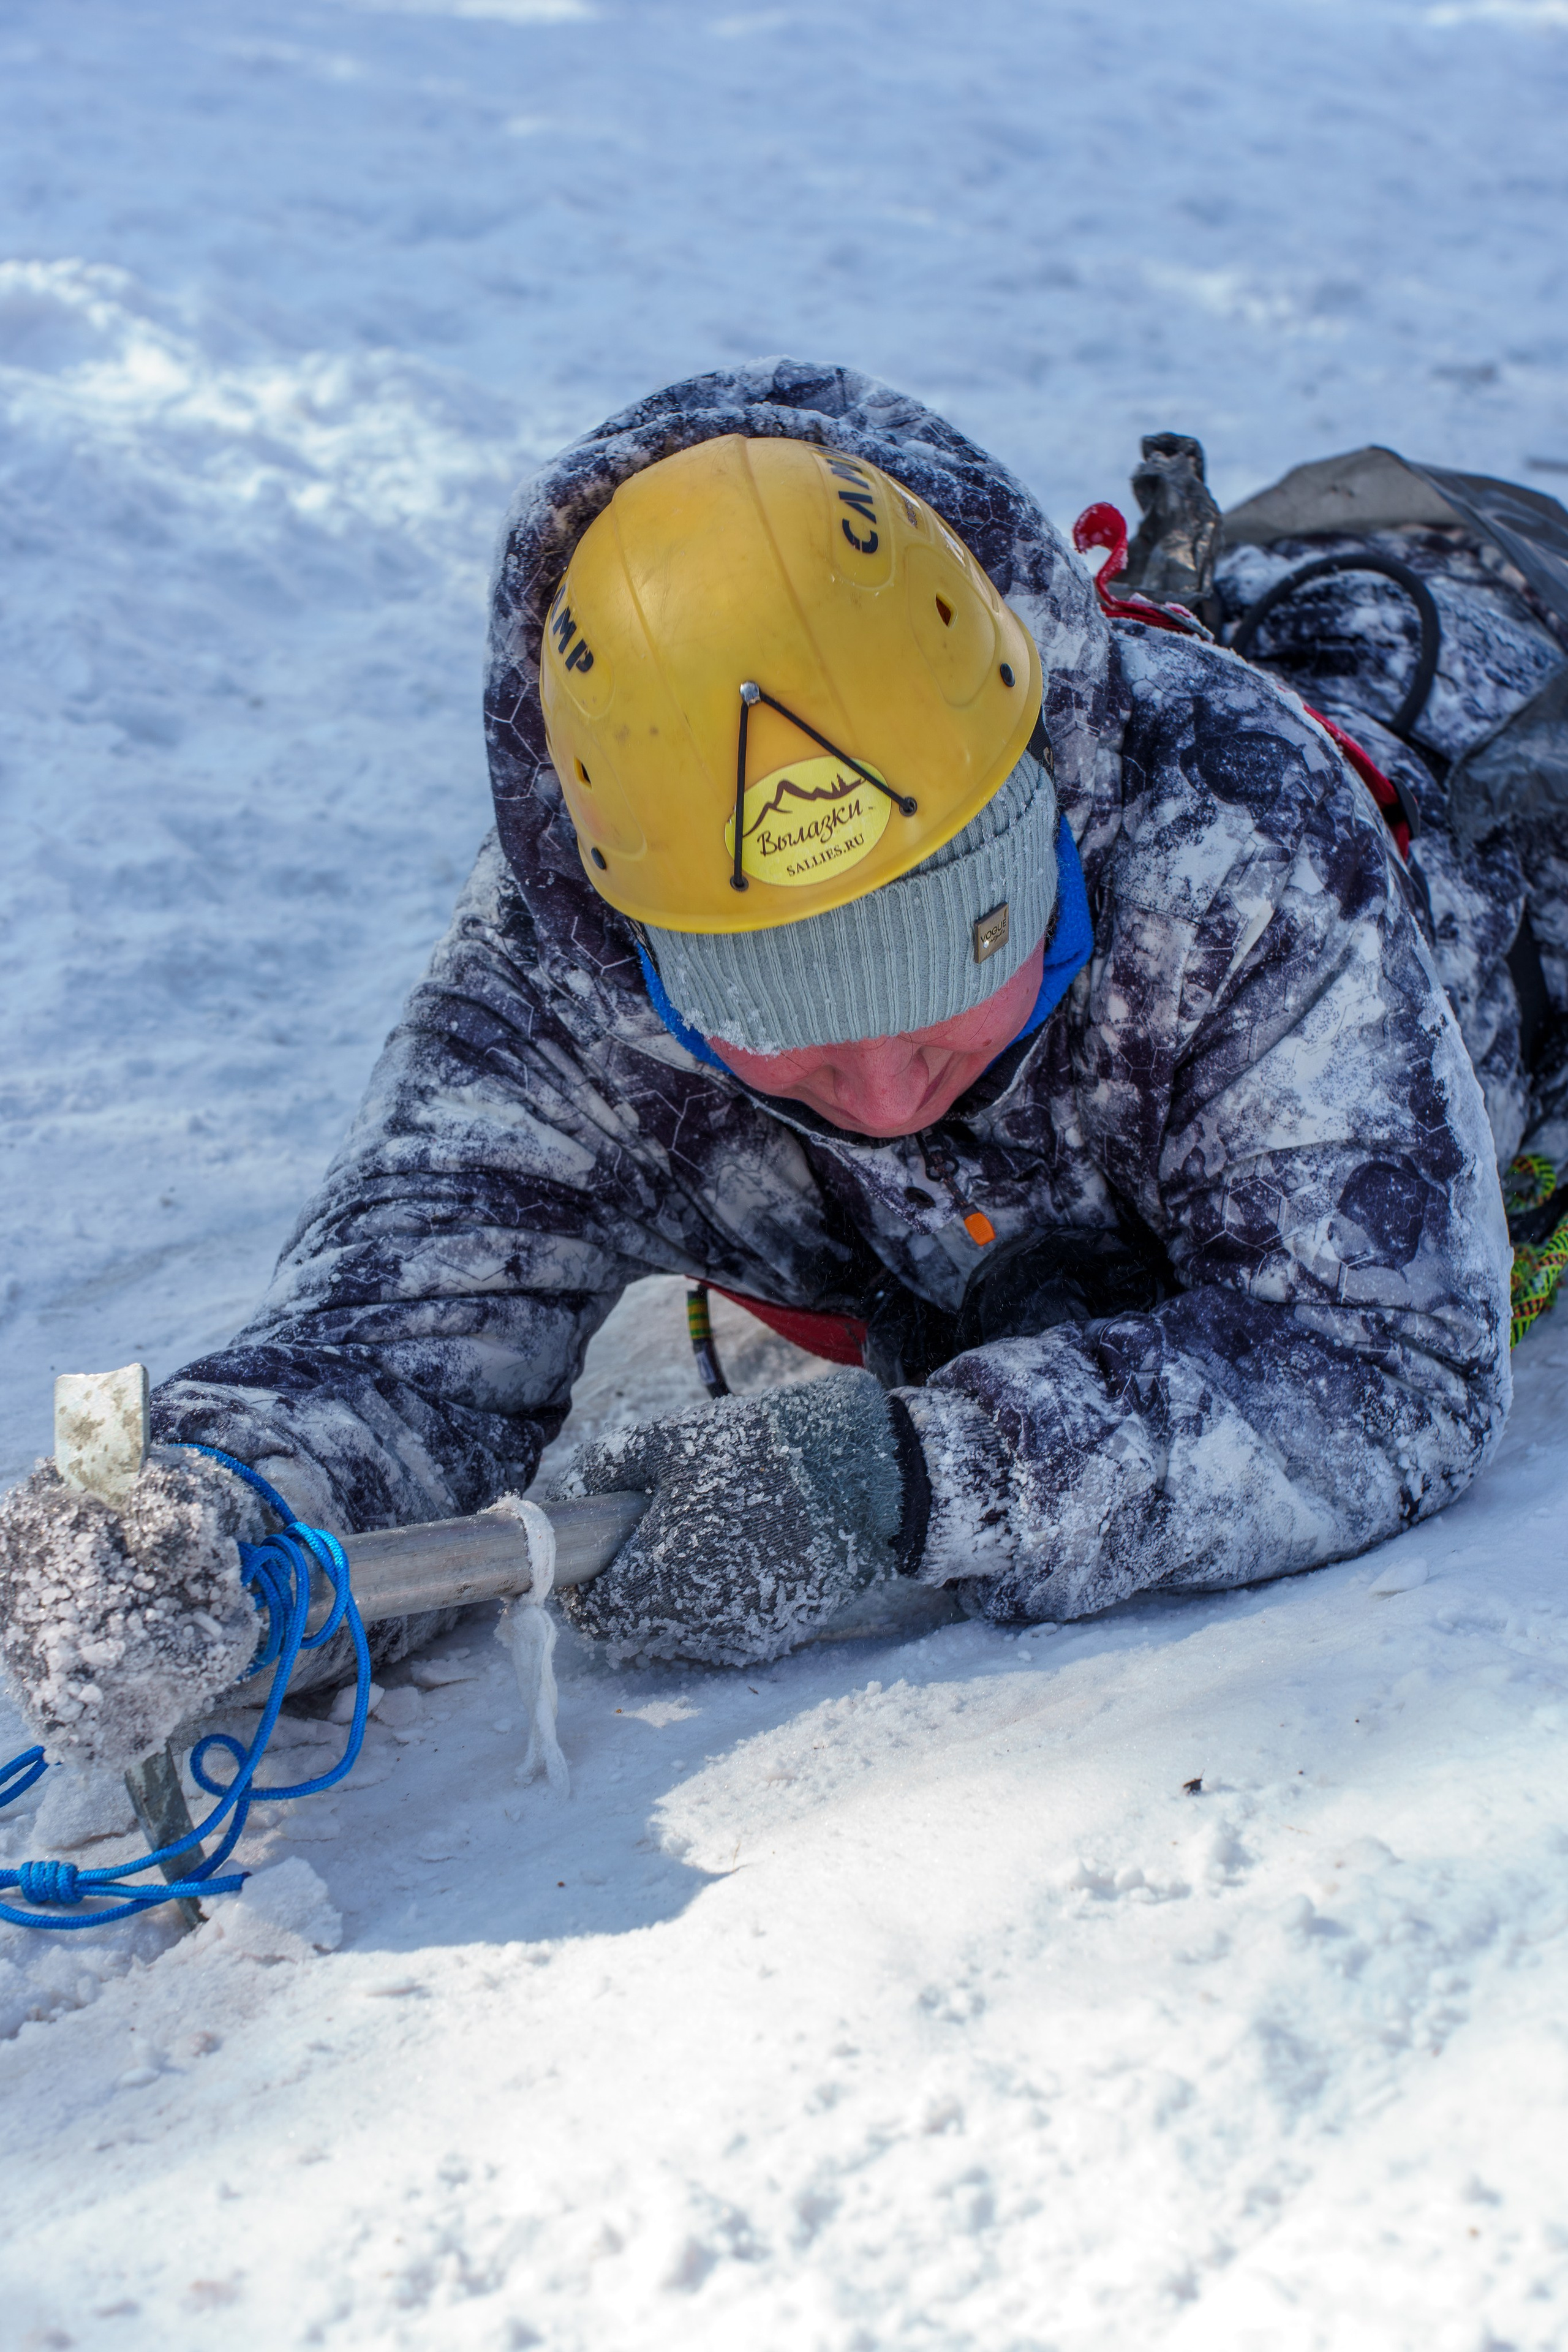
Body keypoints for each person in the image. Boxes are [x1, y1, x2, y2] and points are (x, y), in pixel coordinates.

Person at [9, 359, 1560, 1742]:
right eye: (774, 1022)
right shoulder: (567, 980)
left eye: (962, 957)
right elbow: (396, 1346)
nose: (886, 1096)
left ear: (1052, 815)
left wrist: (919, 1483)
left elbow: (1382, 1357)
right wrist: (212, 1520)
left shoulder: (1234, 843)